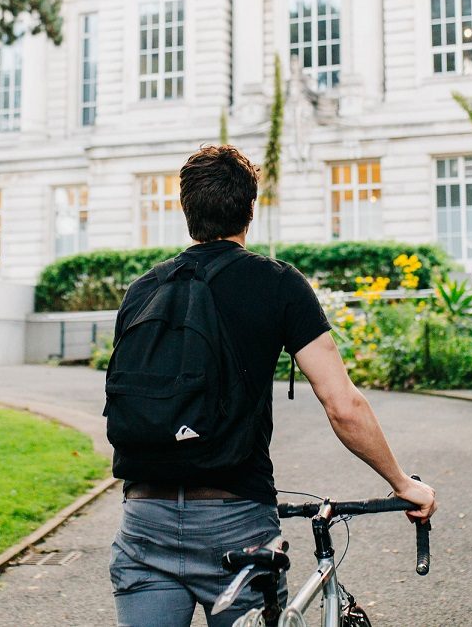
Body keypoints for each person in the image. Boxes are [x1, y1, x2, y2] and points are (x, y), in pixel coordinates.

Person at [105, 145, 436, 627]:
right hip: (234, 523)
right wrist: (402, 484)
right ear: (250, 209)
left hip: (143, 522)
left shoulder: (144, 289)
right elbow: (342, 405)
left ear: (187, 210)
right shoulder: (277, 284)